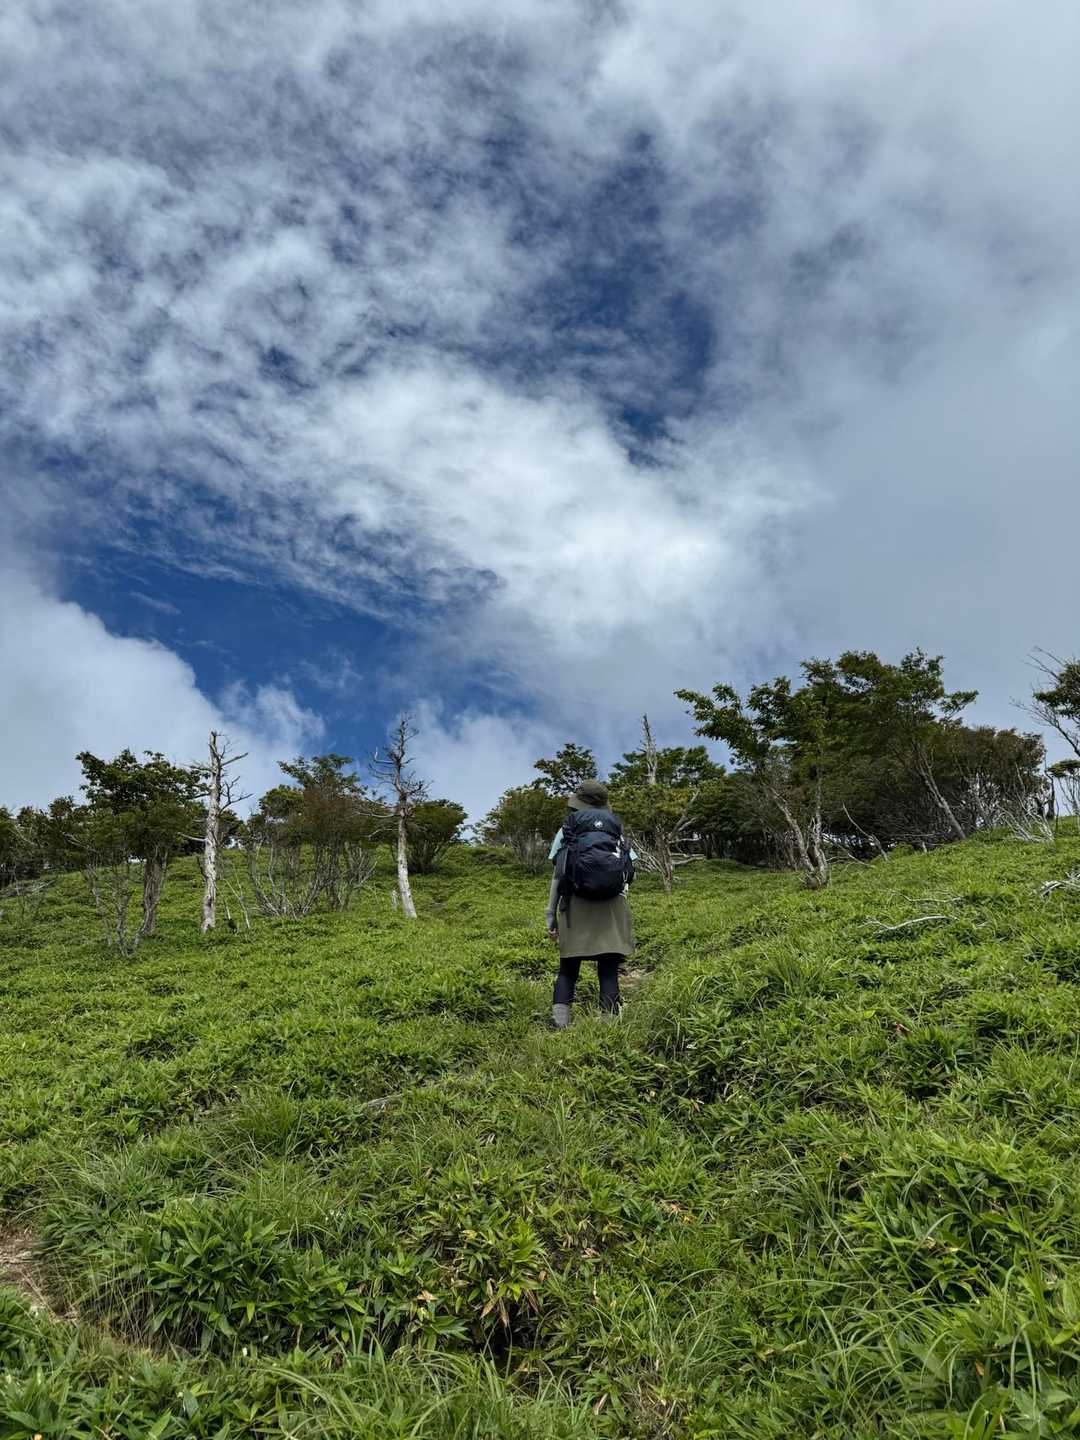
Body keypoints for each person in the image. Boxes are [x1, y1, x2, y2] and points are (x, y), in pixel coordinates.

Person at [546, 779, 635, 1028]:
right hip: (612, 906)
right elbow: (629, 871)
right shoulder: (615, 829)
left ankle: (560, 1024)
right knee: (608, 969)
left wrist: (550, 914)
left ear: (580, 803)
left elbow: (558, 875)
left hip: (575, 904)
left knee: (568, 968)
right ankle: (610, 1026)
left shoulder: (567, 830)